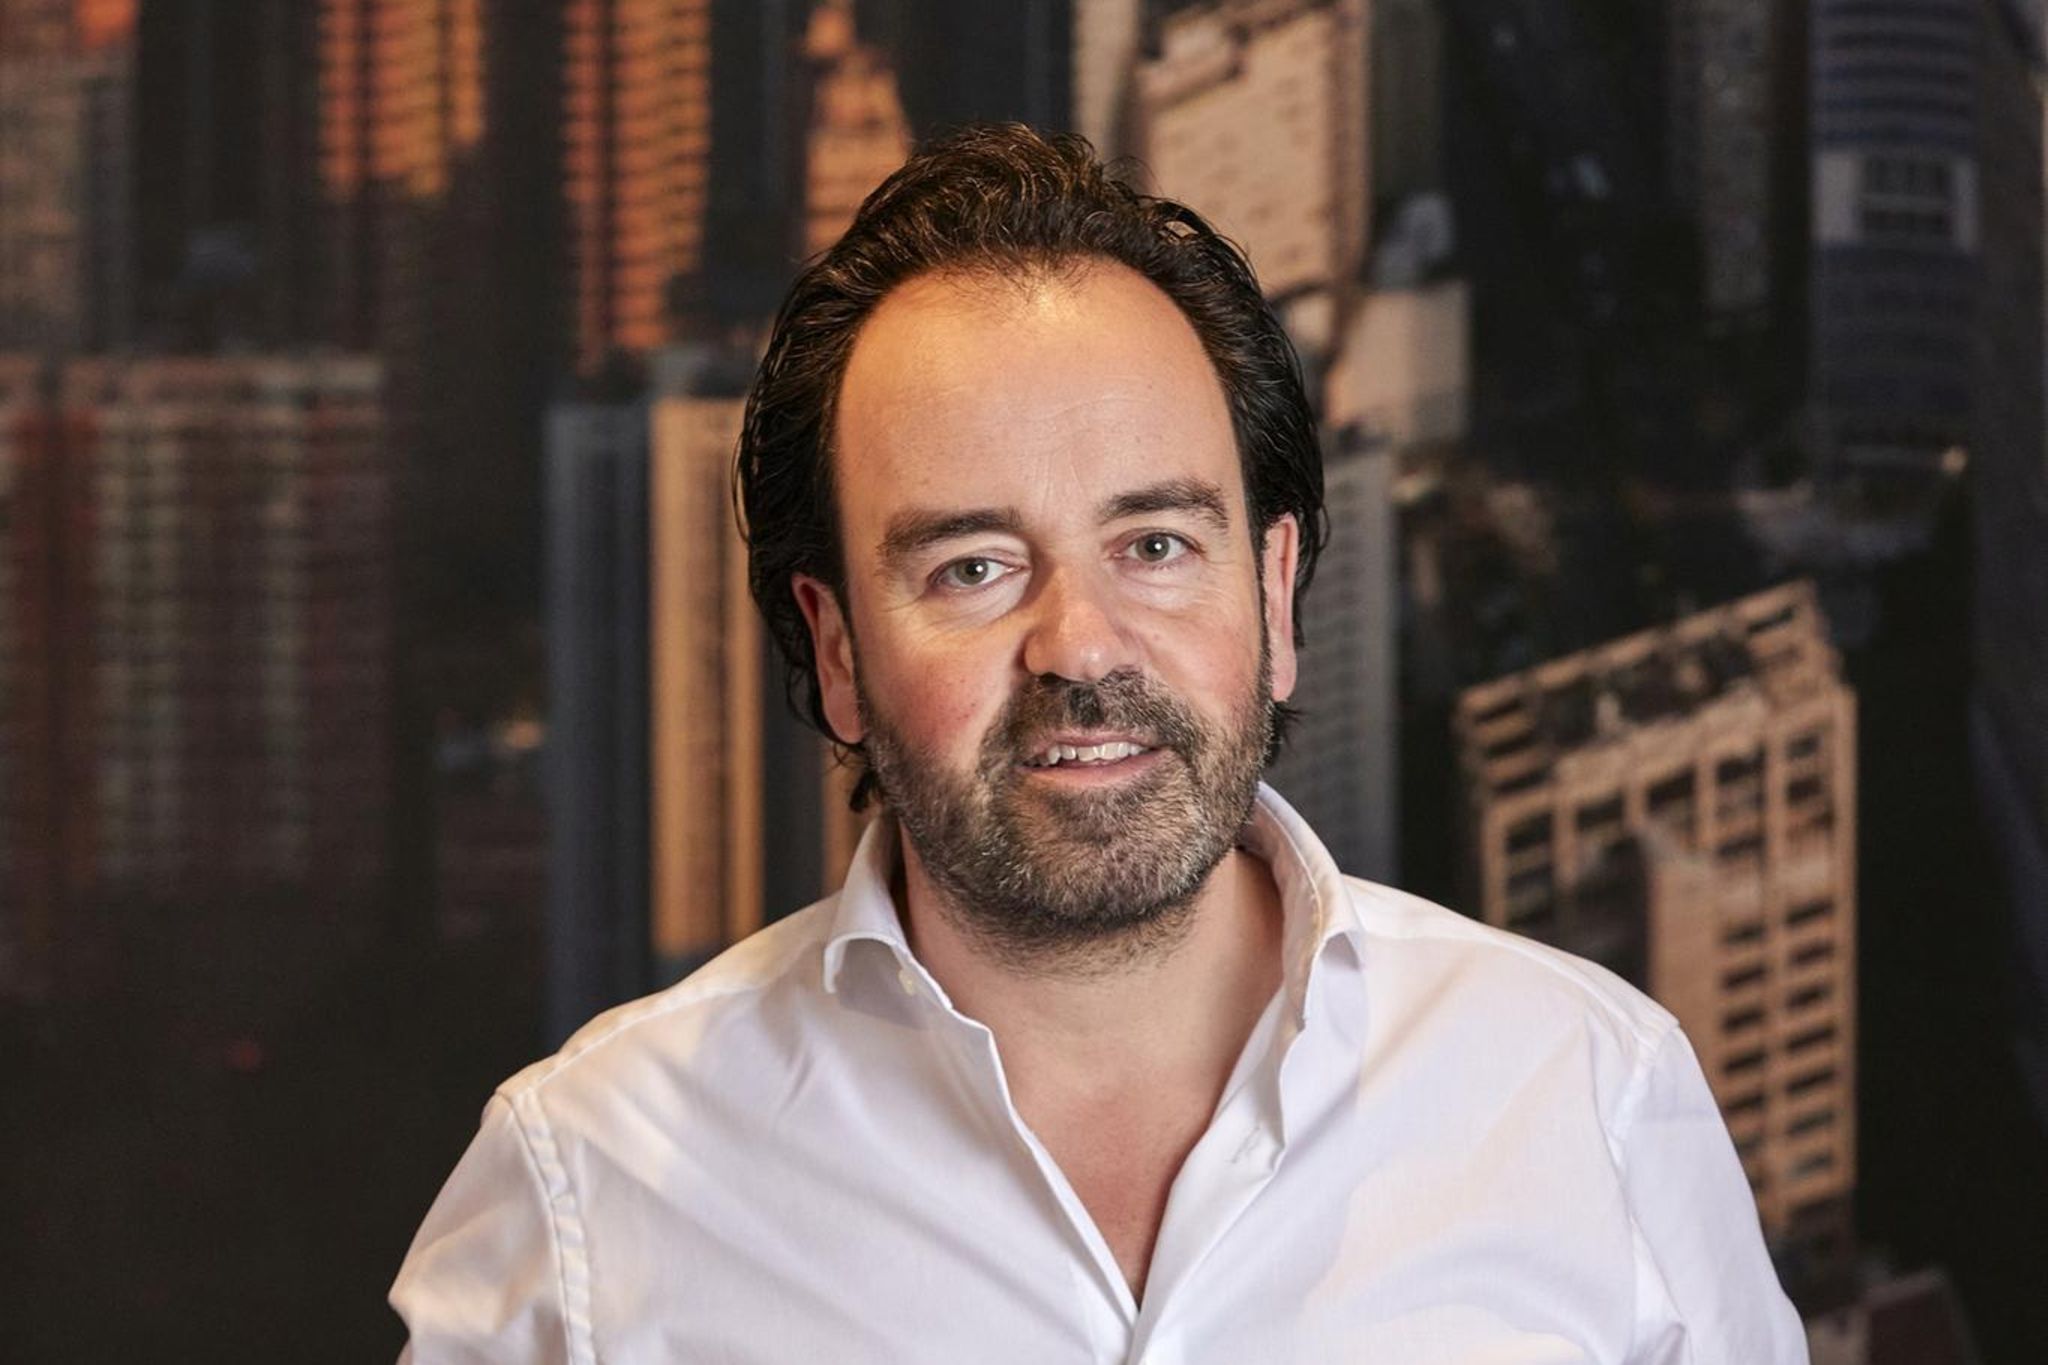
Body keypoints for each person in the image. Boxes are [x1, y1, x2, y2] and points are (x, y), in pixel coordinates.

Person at [390, 125, 1808, 1363]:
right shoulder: (588, 1190)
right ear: (838, 652)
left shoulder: (1591, 1090)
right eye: (973, 568)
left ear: (1275, 596)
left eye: (1156, 544)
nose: (1080, 644)